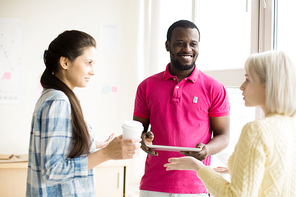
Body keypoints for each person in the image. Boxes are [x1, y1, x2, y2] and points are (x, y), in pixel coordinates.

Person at [164, 50, 296, 197]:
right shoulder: (291, 124)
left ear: (268, 85)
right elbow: (277, 173)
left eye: (248, 79)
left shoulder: (257, 130)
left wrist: (198, 166)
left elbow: (235, 195)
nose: (241, 86)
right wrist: (236, 170)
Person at [26, 30, 141, 197]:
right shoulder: (58, 101)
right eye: (88, 63)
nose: (93, 71)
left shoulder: (53, 96)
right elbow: (52, 170)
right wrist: (107, 153)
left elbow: (61, 151)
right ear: (65, 62)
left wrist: (95, 145)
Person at [133, 20, 230, 196]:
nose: (187, 49)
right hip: (153, 186)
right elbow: (139, 131)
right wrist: (143, 140)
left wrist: (207, 150)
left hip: (196, 186)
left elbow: (223, 136)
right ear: (167, 45)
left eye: (193, 44)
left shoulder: (214, 88)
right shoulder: (146, 86)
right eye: (180, 43)